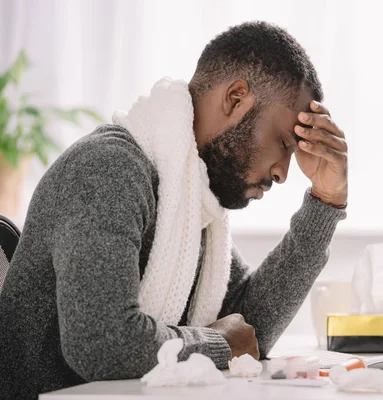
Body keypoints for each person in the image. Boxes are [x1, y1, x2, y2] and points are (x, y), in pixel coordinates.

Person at [0, 21, 348, 399]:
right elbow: (101, 344)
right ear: (235, 98)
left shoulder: (188, 198)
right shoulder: (107, 170)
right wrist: (217, 343)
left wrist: (325, 203)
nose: (283, 172)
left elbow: (248, 333)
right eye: (283, 142)